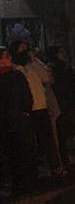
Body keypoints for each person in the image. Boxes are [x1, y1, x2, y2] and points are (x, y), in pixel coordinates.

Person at [9, 40, 65, 177]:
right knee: (29, 143)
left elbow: (46, 77)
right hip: (28, 110)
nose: (25, 52)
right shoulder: (14, 70)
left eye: (26, 49)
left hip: (41, 107)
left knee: (48, 139)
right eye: (22, 49)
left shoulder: (32, 66)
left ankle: (55, 167)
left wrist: (34, 61)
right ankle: (32, 171)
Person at [0, 47, 37, 195]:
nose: (9, 59)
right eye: (6, 56)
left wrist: (25, 113)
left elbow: (27, 96)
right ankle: (16, 183)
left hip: (19, 121)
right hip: (4, 122)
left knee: (24, 152)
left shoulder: (17, 76)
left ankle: (29, 184)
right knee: (9, 154)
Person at [47, 44, 75, 167]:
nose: (63, 54)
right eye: (60, 52)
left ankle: (64, 157)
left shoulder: (66, 68)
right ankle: (61, 158)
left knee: (64, 131)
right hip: (58, 103)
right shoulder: (53, 69)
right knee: (59, 131)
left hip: (66, 102)